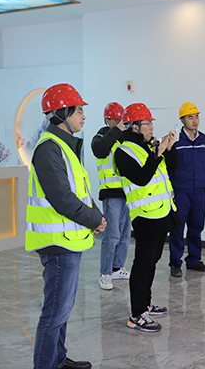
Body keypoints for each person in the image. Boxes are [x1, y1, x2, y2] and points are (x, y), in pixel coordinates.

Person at [25, 83, 106, 369]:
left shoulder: (64, 146)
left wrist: (96, 216)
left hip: (68, 239)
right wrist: (94, 219)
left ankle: (58, 360)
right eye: (78, 110)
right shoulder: (49, 149)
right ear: (61, 114)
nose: (83, 115)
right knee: (54, 313)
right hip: (57, 243)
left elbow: (80, 191)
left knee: (62, 309)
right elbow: (61, 198)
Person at [113, 103, 179, 332]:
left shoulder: (148, 146)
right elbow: (141, 178)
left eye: (151, 123)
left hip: (162, 212)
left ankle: (146, 303)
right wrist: (157, 153)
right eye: (147, 123)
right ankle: (137, 314)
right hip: (145, 216)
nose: (151, 127)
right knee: (142, 264)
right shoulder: (123, 151)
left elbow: (173, 168)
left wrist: (169, 148)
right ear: (134, 126)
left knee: (153, 261)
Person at [91, 102, 131, 290]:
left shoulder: (125, 138)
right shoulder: (100, 137)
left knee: (125, 234)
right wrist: (117, 130)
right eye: (116, 120)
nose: (120, 123)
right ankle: (105, 273)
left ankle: (117, 268)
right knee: (112, 235)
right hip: (111, 193)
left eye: (122, 119)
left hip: (128, 193)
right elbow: (100, 150)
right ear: (107, 120)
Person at [169, 102, 205, 277]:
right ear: (182, 120)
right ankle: (175, 263)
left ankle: (194, 260)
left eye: (196, 117)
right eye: (190, 117)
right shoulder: (176, 141)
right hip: (181, 192)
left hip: (200, 192)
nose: (195, 120)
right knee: (177, 229)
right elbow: (170, 167)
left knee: (196, 227)